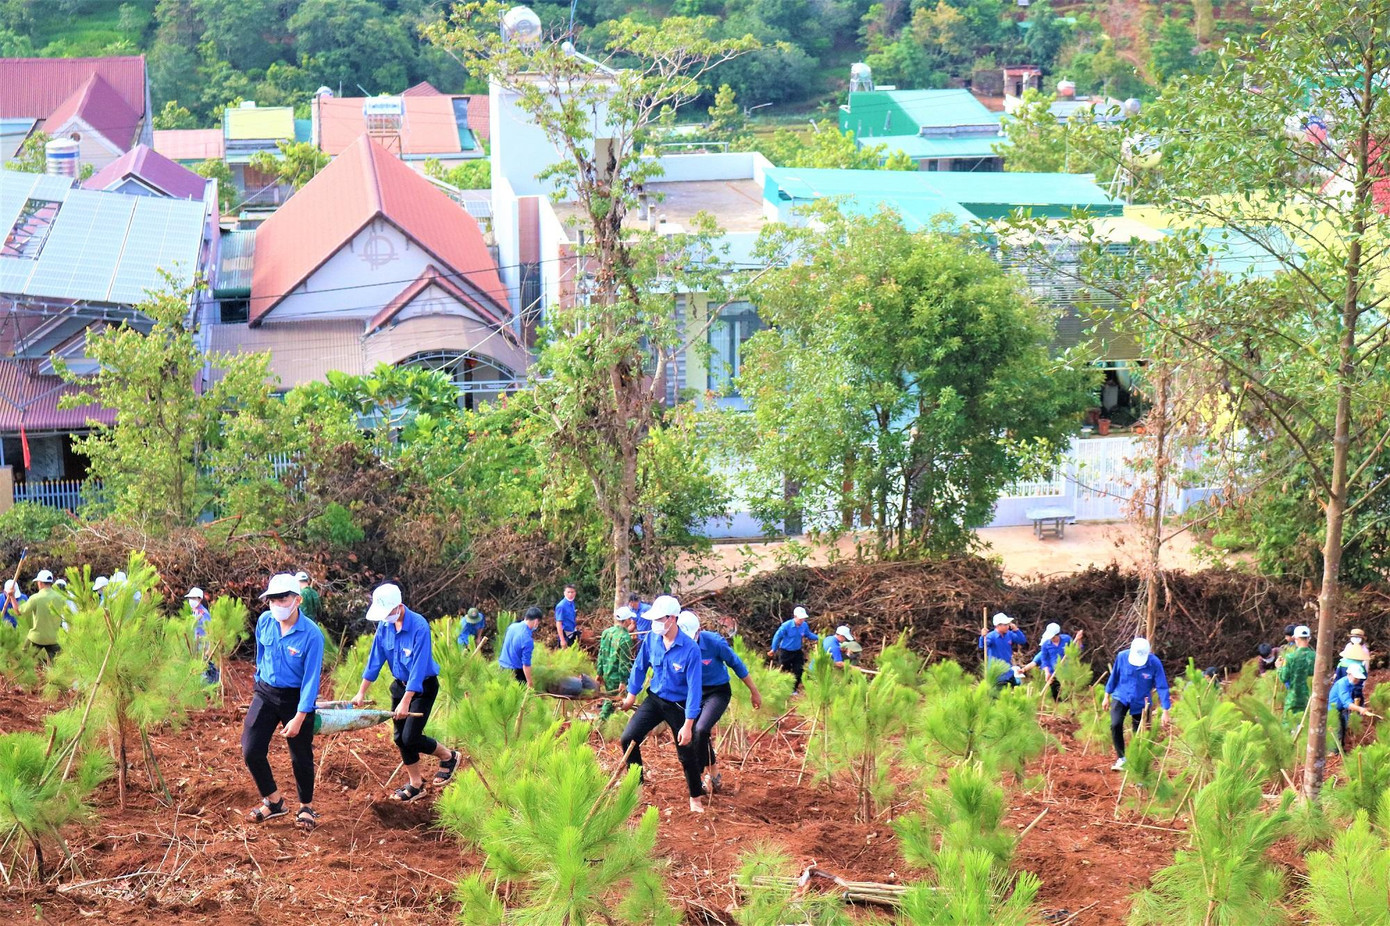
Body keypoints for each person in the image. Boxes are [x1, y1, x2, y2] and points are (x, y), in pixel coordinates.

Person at [351, 584, 460, 802]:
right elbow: (375, 661)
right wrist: (361, 692)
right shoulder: (384, 626)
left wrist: (407, 700)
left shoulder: (419, 626)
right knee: (400, 739)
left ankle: (449, 756)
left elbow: (418, 668)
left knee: (411, 737)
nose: (385, 618)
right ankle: (416, 784)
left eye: (387, 612)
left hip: (422, 688)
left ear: (399, 606)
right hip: (400, 686)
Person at [243, 573, 325, 832]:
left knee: (300, 755)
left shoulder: (312, 635)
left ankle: (306, 806)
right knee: (251, 749)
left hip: (296, 698)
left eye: (282, 599)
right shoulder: (265, 621)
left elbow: (311, 679)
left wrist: (300, 715)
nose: (277, 604)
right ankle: (274, 801)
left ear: (297, 600)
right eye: (272, 600)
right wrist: (259, 679)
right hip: (266, 692)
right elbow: (261, 653)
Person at [618, 595, 706, 812]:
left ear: (672, 619)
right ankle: (636, 786)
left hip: (679, 705)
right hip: (655, 700)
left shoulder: (690, 649)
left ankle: (695, 798)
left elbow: (695, 689)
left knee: (686, 751)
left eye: (659, 619)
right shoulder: (651, 639)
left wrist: (688, 724)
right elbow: (640, 667)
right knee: (628, 738)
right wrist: (631, 695)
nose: (655, 623)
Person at [679, 610, 761, 795]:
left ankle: (699, 776)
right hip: (693, 693)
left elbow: (736, 664)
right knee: (696, 733)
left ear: (699, 631)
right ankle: (714, 773)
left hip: (717, 692)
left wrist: (754, 692)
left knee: (701, 729)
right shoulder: (678, 644)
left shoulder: (714, 642)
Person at [1103, 637, 1171, 771]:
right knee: (1115, 724)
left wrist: (1165, 710)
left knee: (1140, 733)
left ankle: (1137, 764)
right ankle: (1121, 758)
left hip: (1141, 701)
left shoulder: (1154, 663)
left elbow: (1162, 686)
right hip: (1121, 695)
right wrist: (1106, 695)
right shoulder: (1122, 657)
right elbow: (1114, 676)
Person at [597, 609, 637, 721]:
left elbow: (601, 654)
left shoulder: (606, 633)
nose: (631, 620)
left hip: (606, 673)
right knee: (613, 702)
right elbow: (624, 663)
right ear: (626, 620)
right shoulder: (625, 638)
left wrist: (599, 673)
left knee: (610, 699)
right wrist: (623, 681)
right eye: (630, 618)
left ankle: (608, 722)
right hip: (616, 677)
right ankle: (601, 723)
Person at [768, 606, 819, 691]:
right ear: (795, 617)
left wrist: (819, 638)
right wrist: (774, 649)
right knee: (785, 671)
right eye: (800, 619)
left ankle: (794, 689)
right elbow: (777, 637)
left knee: (799, 670)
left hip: (797, 651)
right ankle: (783, 689)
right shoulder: (786, 626)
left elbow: (808, 634)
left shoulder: (804, 625)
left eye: (803, 619)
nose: (802, 620)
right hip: (785, 652)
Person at [1028, 624, 1083, 700]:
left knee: (1068, 697)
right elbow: (1044, 660)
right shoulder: (1045, 645)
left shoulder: (1067, 639)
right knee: (1057, 697)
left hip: (1067, 672)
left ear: (1058, 635)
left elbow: (1078, 649)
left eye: (1053, 637)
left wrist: (1078, 639)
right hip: (1053, 674)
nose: (1052, 639)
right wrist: (1047, 672)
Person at [1329, 664, 1374, 753]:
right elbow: (1346, 702)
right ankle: (1334, 752)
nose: (1357, 680)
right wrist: (1360, 709)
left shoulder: (1351, 684)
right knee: (1337, 731)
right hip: (1333, 710)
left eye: (1358, 678)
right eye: (1355, 677)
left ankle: (1340, 751)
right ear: (1349, 674)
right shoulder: (1342, 684)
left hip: (1341, 710)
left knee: (1343, 729)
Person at [21, 570, 64, 660]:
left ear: (40, 583)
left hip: (37, 637)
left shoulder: (35, 598)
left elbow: (20, 612)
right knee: (58, 664)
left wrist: (11, 596)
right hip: (54, 638)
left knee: (25, 659)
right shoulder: (60, 598)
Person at [1278, 625, 1316, 719]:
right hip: (1310, 697)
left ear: (1296, 638)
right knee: (1307, 722)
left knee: (1289, 722)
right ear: (1309, 638)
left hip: (1294, 697)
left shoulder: (1290, 657)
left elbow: (1284, 677)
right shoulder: (1316, 656)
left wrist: (1279, 667)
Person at [499, 607, 541, 685]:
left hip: (502, 668)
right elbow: (526, 664)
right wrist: (529, 682)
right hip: (515, 673)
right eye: (538, 622)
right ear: (536, 621)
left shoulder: (512, 627)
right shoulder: (527, 639)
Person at [186, 587, 218, 684]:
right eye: (190, 598)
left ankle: (206, 686)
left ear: (199, 599)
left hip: (203, 644)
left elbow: (209, 630)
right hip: (196, 643)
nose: (191, 600)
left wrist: (209, 648)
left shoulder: (203, 613)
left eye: (193, 598)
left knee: (203, 666)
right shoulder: (194, 611)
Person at [555, 584, 579, 648]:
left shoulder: (572, 603)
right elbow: (558, 623)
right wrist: (562, 640)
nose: (570, 594)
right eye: (568, 592)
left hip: (572, 633)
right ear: (564, 593)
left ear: (575, 593)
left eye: (572, 592)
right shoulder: (561, 606)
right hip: (565, 635)